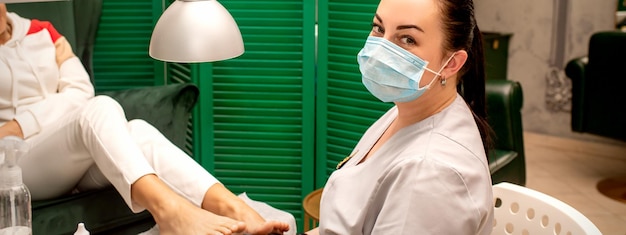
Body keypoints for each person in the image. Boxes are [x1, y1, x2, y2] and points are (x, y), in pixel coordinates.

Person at [0, 3, 290, 235]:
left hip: (67, 148)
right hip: (12, 164)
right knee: (99, 109)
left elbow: (80, 92)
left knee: (136, 130)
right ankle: (171, 213)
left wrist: (19, 124)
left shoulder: (42, 32)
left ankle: (231, 207)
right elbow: (79, 101)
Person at [307, 0, 494, 234]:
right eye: (379, 28)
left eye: (407, 39)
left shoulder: (430, 173)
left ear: (451, 63)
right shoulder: (406, 111)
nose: (379, 51)